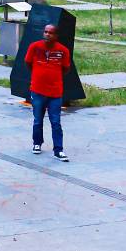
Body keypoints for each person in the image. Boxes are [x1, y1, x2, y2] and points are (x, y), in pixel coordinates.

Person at [25, 23, 71, 162]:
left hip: (55, 93)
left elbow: (65, 68)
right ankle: (37, 143)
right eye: (45, 32)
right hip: (38, 91)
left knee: (56, 122)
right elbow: (28, 63)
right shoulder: (34, 47)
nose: (47, 34)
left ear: (56, 35)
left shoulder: (63, 50)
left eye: (50, 33)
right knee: (38, 120)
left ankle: (58, 150)